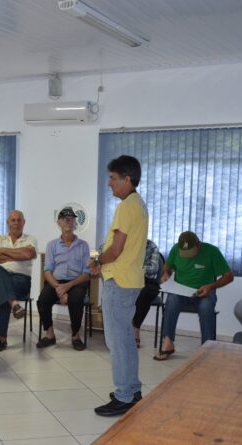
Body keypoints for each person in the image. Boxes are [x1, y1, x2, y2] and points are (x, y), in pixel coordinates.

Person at [88, 155, 147, 417]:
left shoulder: (126, 206)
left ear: (127, 178)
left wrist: (99, 260)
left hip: (120, 279)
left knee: (117, 340)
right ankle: (132, 389)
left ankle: (124, 395)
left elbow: (117, 248)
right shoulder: (137, 203)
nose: (109, 183)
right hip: (129, 279)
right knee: (124, 337)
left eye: (113, 178)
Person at [154, 231, 234, 361]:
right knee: (172, 299)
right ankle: (168, 342)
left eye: (191, 252)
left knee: (206, 306)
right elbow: (167, 267)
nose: (188, 256)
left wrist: (210, 287)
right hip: (181, 292)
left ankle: (207, 347)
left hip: (204, 292)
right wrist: (166, 274)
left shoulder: (212, 251)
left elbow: (229, 276)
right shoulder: (176, 249)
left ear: (198, 244)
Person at [36, 207, 91, 351]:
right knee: (42, 300)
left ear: (75, 222)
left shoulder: (84, 246)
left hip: (77, 282)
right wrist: (58, 288)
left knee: (76, 299)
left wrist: (67, 287)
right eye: (64, 219)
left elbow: (86, 274)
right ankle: (50, 335)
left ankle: (75, 336)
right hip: (56, 282)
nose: (68, 221)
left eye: (71, 218)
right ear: (58, 223)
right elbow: (47, 271)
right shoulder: (51, 245)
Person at [0, 210, 37, 352]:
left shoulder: (30, 239)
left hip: (21, 280)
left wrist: (2, 251)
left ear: (24, 222)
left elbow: (27, 254)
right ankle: (14, 304)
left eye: (19, 220)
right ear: (8, 223)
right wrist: (17, 255)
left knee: (2, 292)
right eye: (13, 220)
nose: (16, 223)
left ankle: (1, 339)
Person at [131, 239, 162, 347]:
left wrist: (135, 269)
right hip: (129, 280)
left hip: (148, 281)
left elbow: (153, 269)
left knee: (144, 294)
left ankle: (135, 328)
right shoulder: (125, 243)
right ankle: (120, 331)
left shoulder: (151, 246)